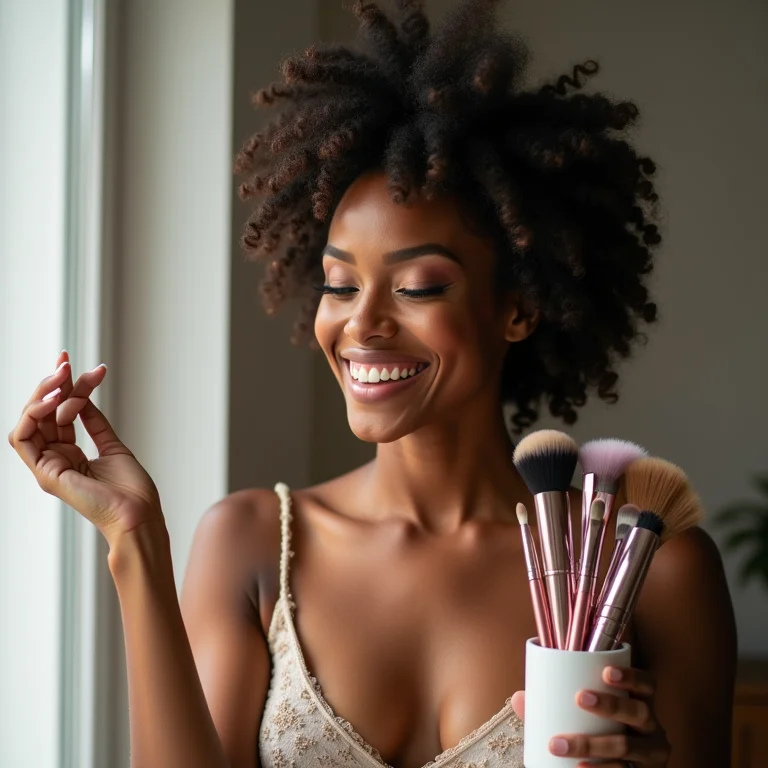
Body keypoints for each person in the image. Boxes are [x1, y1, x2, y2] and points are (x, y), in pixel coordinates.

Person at [9, 1, 736, 767]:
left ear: (518, 308)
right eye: (339, 284)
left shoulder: (649, 570)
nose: (362, 325)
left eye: (419, 286)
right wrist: (136, 543)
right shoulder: (253, 544)